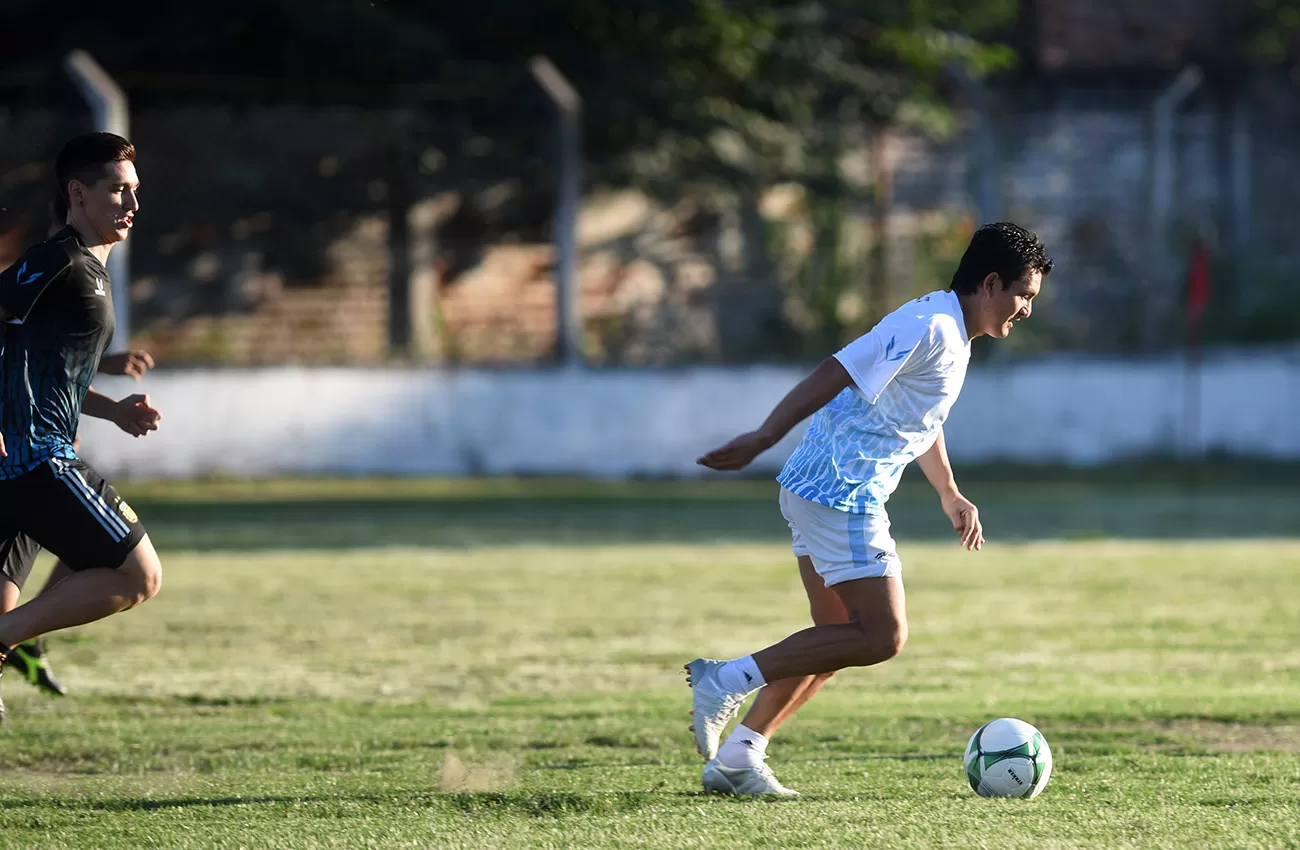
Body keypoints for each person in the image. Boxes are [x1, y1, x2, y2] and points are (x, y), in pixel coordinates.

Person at [687, 221, 1053, 795]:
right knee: (882, 636)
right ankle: (725, 678)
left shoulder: (953, 335)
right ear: (989, 283)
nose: (1027, 309)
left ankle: (738, 757)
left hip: (822, 489)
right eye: (1023, 295)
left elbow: (919, 421)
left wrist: (949, 492)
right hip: (841, 494)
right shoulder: (927, 324)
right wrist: (763, 435)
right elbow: (838, 370)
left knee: (833, 637)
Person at [0, 131, 164, 722]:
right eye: (119, 191)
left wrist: (114, 408)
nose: (132, 204)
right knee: (138, 576)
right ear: (78, 192)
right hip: (34, 459)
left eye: (135, 191)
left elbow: (39, 364)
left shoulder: (90, 267)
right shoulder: (59, 260)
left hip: (18, 465)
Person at [3, 348, 155, 697]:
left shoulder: (38, 314)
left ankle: (22, 637)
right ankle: (19, 636)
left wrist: (100, 375)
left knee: (111, 559)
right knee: (136, 571)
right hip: (28, 465)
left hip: (32, 462)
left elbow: (36, 367)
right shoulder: (21, 297)